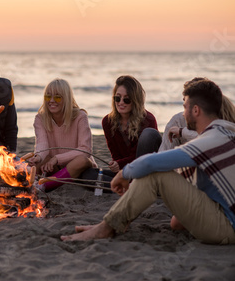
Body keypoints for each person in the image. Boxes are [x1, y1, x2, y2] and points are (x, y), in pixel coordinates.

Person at [61, 79, 235, 244]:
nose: (183, 113)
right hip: (220, 212)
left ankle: (106, 227)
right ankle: (116, 221)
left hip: (228, 227)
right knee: (176, 223)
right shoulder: (226, 132)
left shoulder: (210, 140)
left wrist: (123, 172)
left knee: (155, 175)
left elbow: (150, 163)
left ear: (195, 110)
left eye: (185, 107)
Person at [27, 79, 96, 192]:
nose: (52, 101)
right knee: (34, 163)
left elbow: (85, 149)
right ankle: (28, 185)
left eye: (57, 97)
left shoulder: (80, 116)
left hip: (77, 168)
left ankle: (45, 185)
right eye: (48, 97)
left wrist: (57, 159)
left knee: (83, 160)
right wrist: (38, 156)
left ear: (66, 98)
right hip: (53, 167)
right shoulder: (40, 118)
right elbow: (42, 144)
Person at [102, 75, 161, 173]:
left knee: (149, 133)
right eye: (117, 98)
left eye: (126, 99)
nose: (121, 103)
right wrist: (116, 165)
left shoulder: (148, 120)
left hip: (144, 170)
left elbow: (142, 156)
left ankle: (131, 186)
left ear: (135, 101)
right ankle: (124, 186)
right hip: (123, 172)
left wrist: (120, 164)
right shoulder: (108, 122)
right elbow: (115, 155)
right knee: (88, 173)